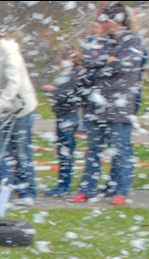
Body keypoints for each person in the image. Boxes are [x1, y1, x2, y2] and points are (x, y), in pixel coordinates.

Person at [71, 2, 146, 206]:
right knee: (93, 149)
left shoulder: (134, 40)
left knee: (120, 149)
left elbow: (123, 66)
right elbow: (87, 60)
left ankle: (120, 191)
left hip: (120, 105)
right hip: (96, 105)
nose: (104, 24)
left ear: (118, 21)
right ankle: (87, 189)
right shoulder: (100, 40)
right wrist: (107, 59)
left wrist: (102, 62)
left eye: (108, 20)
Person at [0, 24, 39, 204]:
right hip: (3, 110)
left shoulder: (10, 53)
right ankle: (4, 193)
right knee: (2, 152)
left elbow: (13, 84)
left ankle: (27, 192)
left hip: (21, 108)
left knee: (21, 151)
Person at [43, 50, 91, 197]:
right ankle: (63, 184)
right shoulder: (71, 75)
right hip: (65, 114)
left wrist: (52, 91)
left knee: (65, 151)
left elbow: (66, 95)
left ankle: (64, 185)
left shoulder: (73, 75)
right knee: (64, 150)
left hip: (68, 115)